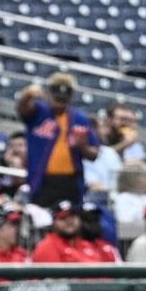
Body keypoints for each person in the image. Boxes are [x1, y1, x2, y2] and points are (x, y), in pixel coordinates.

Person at [17, 73, 100, 208]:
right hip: (42, 179)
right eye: (56, 99)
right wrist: (28, 94)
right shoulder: (39, 111)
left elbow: (94, 154)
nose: (59, 104)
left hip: (70, 181)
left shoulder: (79, 118)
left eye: (63, 100)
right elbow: (22, 109)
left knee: (71, 220)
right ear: (49, 93)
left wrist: (83, 146)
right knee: (41, 219)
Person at [31, 201, 98, 263]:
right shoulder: (47, 247)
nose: (69, 221)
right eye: (62, 217)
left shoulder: (86, 244)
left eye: (72, 216)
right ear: (53, 222)